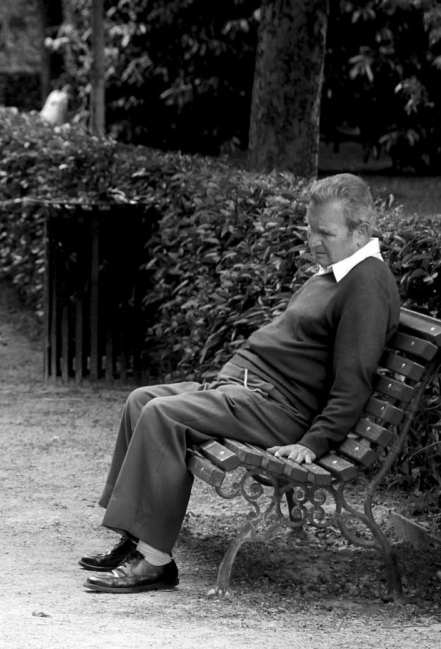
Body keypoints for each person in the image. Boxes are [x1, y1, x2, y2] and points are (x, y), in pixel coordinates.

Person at [79, 173, 400, 594]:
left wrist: (315, 441)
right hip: (250, 392)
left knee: (163, 415)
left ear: (361, 231)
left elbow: (354, 380)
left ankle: (155, 561)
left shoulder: (366, 284)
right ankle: (136, 538)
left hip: (279, 410)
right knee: (142, 400)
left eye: (326, 232)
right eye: (310, 229)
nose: (314, 241)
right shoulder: (338, 272)